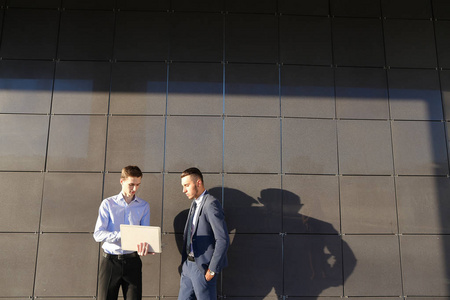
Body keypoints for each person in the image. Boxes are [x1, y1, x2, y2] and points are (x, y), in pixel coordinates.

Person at [93, 165, 152, 300]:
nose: (135, 189)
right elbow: (98, 234)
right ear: (122, 181)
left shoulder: (144, 206)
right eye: (131, 184)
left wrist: (146, 246)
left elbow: (144, 234)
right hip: (110, 262)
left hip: (133, 262)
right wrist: (123, 235)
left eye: (138, 185)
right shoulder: (108, 204)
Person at [178, 167, 230, 300]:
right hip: (188, 266)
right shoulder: (194, 204)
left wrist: (212, 269)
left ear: (199, 183)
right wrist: (185, 265)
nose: (184, 190)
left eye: (187, 185)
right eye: (183, 186)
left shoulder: (211, 204)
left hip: (202, 267)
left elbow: (222, 239)